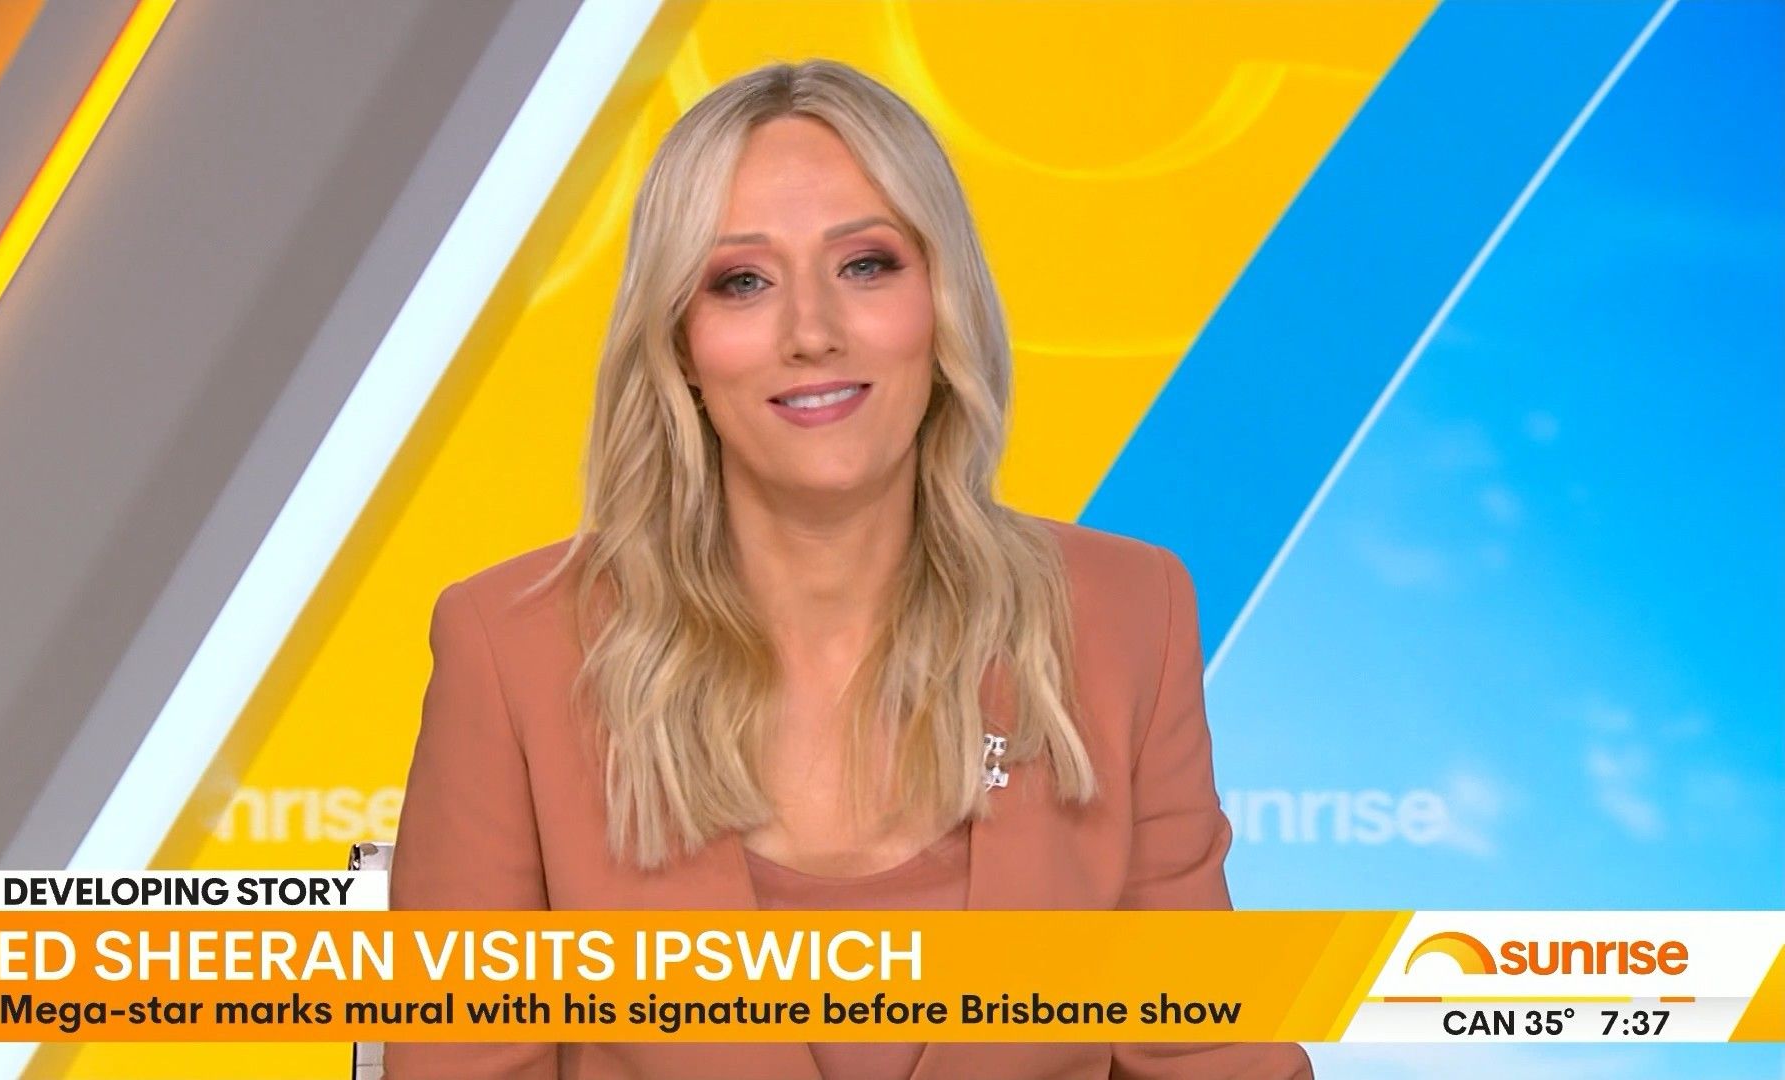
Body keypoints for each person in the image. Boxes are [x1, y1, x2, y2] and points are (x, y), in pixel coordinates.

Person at [385, 57, 1312, 1080]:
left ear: (941, 299)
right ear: (681, 341)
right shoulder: (512, 650)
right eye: (742, 281)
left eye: (866, 265)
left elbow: (1205, 1051)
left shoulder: (1125, 614)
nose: (813, 333)